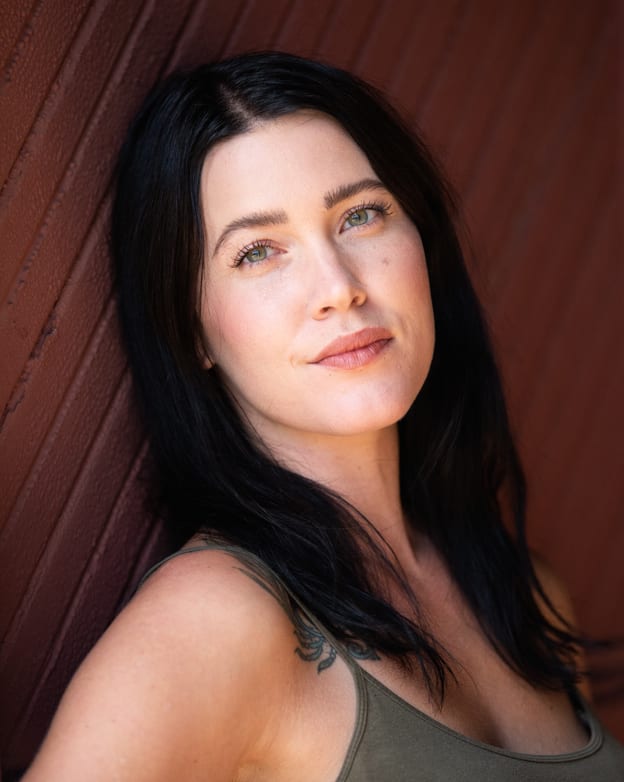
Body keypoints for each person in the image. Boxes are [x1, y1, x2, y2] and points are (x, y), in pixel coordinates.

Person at [24, 51, 623, 781]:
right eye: (258, 253)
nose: (339, 287)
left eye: (361, 215)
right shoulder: (216, 624)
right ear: (191, 328)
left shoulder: (523, 590)